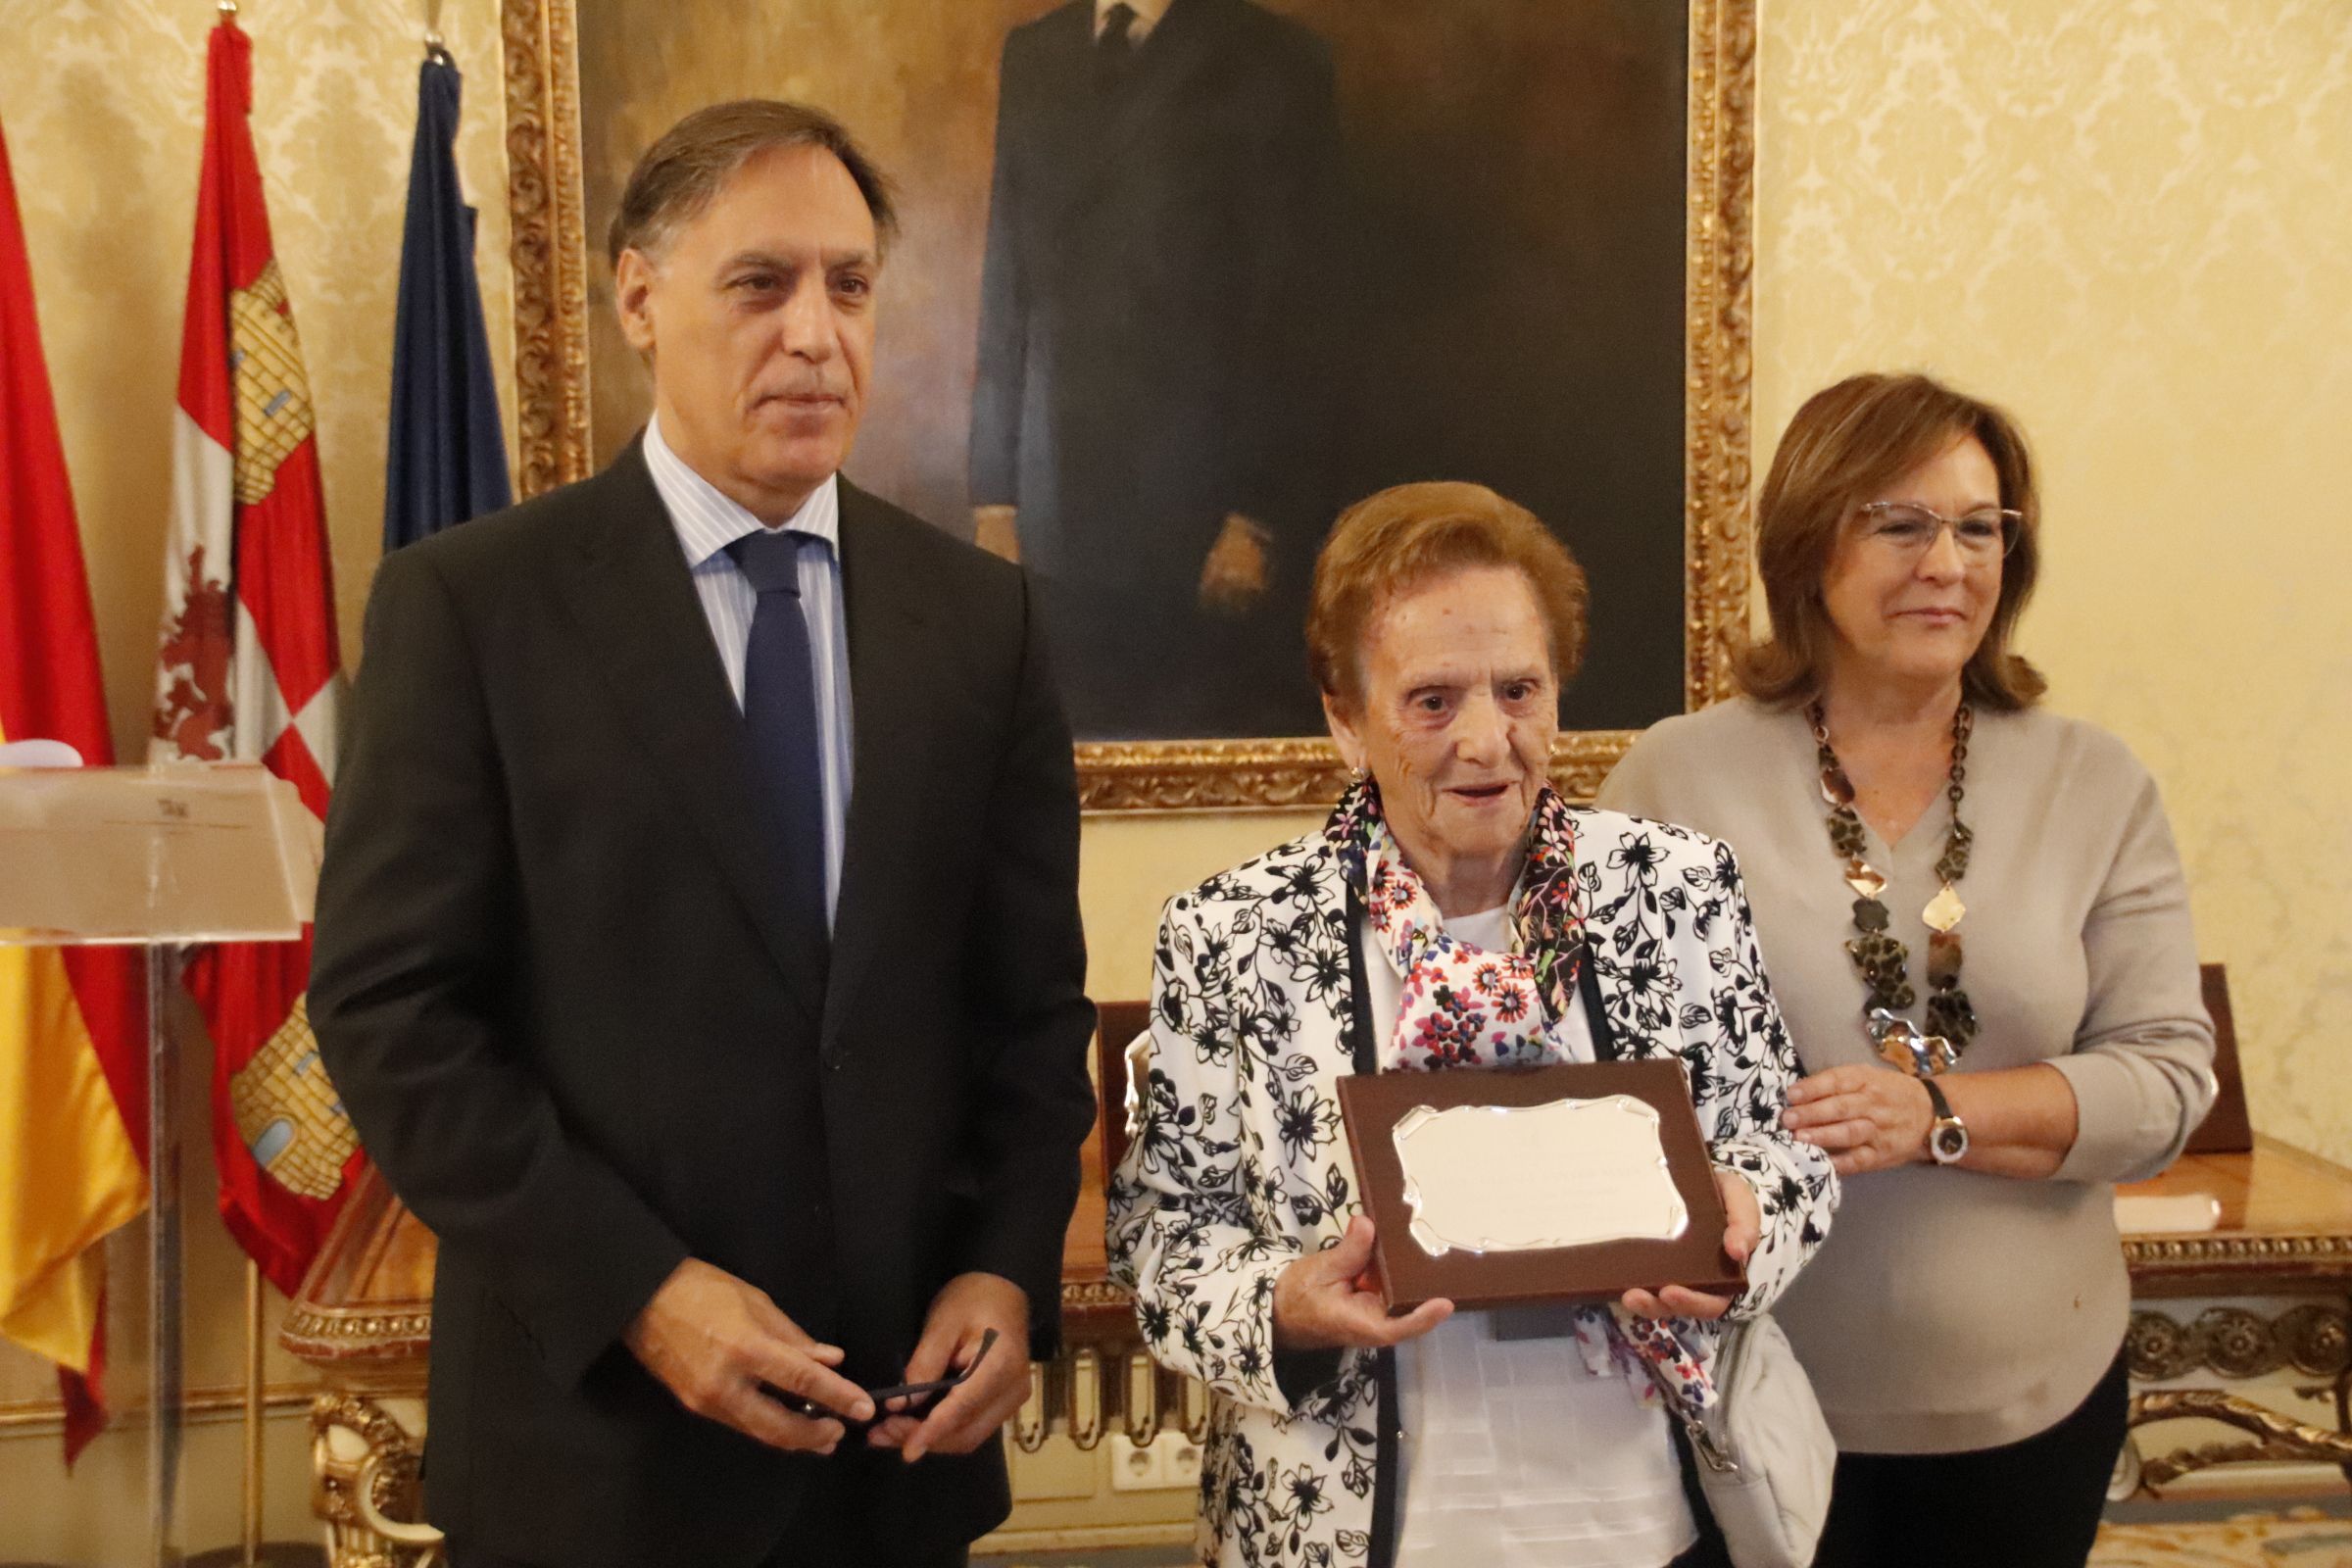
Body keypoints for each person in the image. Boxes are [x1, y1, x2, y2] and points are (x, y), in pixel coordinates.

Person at [310, 101, 1097, 1568]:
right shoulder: (474, 609)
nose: (815, 334)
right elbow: (391, 1013)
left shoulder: (981, 622)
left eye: (849, 286)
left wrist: (1002, 1269)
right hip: (592, 1458)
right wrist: (644, 1292)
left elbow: (1033, 1014)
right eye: (762, 284)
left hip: (891, 1453)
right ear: (638, 298)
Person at [1106, 481, 1837, 1568]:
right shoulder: (1236, 935)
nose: (1489, 740)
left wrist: (1743, 1222)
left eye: (1520, 689)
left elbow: (1790, 1157)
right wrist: (1289, 1303)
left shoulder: (1674, 886)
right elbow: (1162, 1242)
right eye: (1433, 700)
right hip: (1359, 1531)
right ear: (1345, 719)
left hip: (1644, 1517)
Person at [1600, 372, 2216, 1568]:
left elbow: (2167, 1084)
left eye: (1979, 527)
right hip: (1741, 1395)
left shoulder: (2098, 781)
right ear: (1807, 542)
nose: (1949, 561)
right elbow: (1620, 1087)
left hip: (2028, 1405)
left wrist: (1936, 1113)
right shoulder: (1676, 780)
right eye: (1901, 523)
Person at [969, 0, 1341, 738]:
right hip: (1053, 510)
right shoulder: (1035, 53)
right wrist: (995, 500)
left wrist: (1254, 519)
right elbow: (1008, 278)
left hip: (1198, 526)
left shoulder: (1275, 58)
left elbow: (1292, 307)